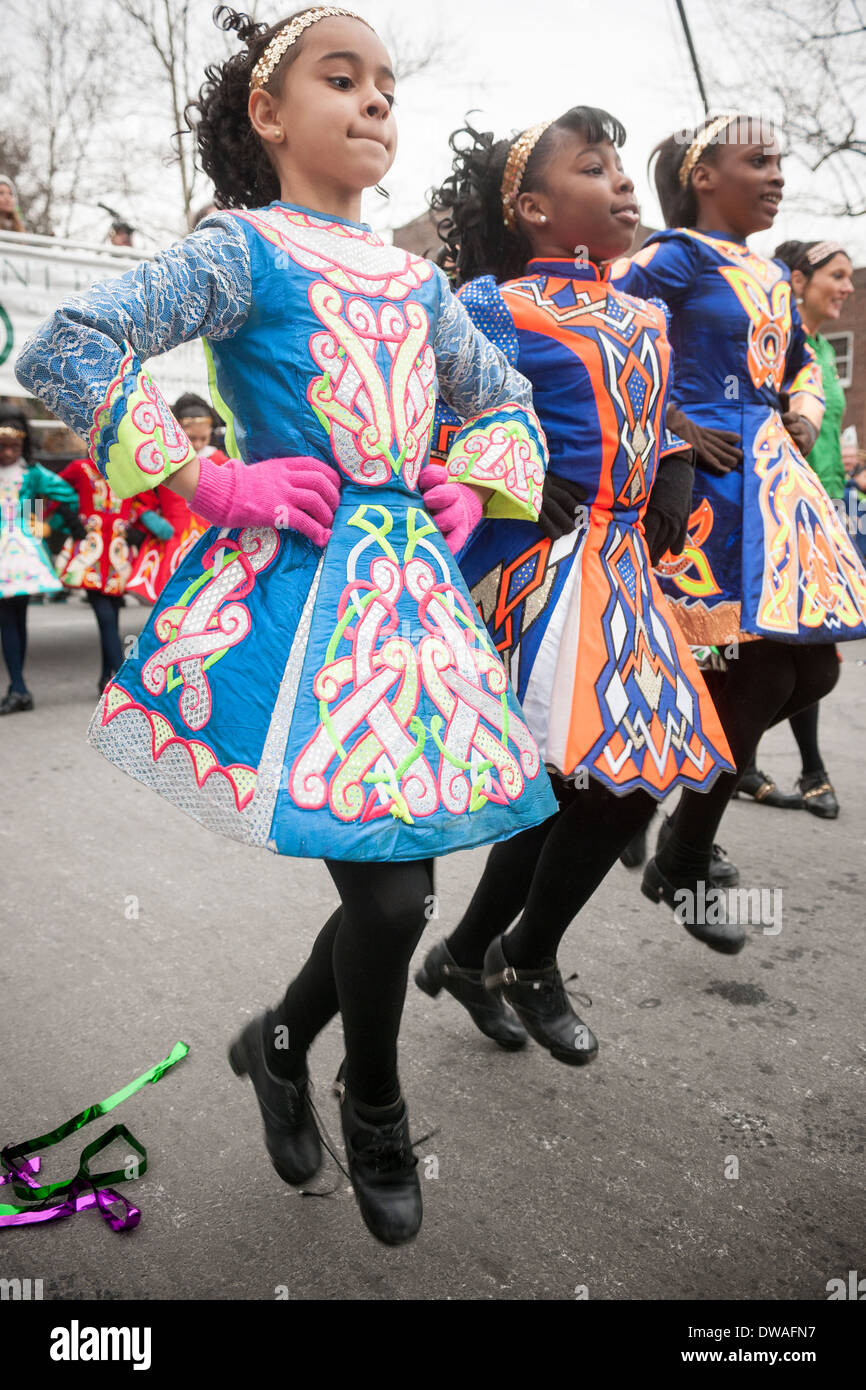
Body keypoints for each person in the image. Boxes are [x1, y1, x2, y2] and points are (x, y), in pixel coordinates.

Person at [15, 5, 557, 1248]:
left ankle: (276, 1043)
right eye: (340, 77)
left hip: (414, 612)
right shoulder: (240, 250)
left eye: (385, 84)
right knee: (389, 902)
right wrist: (212, 481)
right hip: (292, 611)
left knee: (401, 891)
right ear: (268, 115)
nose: (374, 101)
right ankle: (371, 1098)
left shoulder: (422, 283)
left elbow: (503, 399)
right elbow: (72, 342)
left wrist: (470, 481)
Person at [414, 107, 737, 1066]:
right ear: (534, 208)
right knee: (604, 777)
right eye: (596, 168)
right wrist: (514, 476)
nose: (625, 184)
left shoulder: (645, 312)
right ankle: (527, 957)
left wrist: (673, 472)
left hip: (631, 568)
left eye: (625, 167)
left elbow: (655, 409)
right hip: (545, 570)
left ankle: (478, 955)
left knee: (620, 778)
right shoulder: (490, 306)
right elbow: (440, 418)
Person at [608, 114, 866, 912]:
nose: (779, 174)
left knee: (814, 666)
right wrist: (677, 425)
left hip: (777, 495)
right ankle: (675, 841)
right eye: (759, 160)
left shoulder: (771, 278)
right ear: (703, 177)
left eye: (782, 160)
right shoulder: (671, 257)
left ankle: (658, 813)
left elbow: (799, 366)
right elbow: (611, 335)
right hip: (707, 495)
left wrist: (801, 408)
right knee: (745, 670)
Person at [737, 240, 855, 819]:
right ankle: (801, 768)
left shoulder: (822, 358)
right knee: (786, 647)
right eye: (838, 276)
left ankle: (743, 764)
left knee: (809, 651)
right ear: (801, 280)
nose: (848, 288)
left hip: (826, 504)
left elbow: (825, 426)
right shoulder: (769, 336)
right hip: (776, 509)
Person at [51, 456, 173, 690]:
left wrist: (139, 531)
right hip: (90, 554)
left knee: (112, 619)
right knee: (106, 618)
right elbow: (47, 492)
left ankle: (105, 679)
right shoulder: (81, 468)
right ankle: (122, 679)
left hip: (119, 558)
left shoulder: (131, 471)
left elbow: (145, 503)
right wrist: (50, 526)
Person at [0, 407, 79, 712]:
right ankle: (18, 686)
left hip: (20, 552)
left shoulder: (30, 474)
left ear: (23, 446)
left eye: (14, 447)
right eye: (2, 447)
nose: (7, 453)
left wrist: (44, 523)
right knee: (12, 619)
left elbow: (66, 494)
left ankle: (18, 687)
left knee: (13, 618)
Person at [126, 393, 225, 604]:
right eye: (192, 438)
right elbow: (141, 496)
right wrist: (149, 516)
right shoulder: (162, 458)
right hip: (170, 536)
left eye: (203, 439)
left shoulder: (220, 460)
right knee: (171, 600)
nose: (198, 444)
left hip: (210, 535)